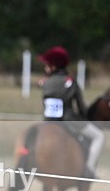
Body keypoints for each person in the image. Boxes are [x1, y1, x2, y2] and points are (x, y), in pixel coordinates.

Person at [38, 45, 104, 178]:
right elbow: (81, 108)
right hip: (69, 121)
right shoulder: (71, 82)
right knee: (99, 136)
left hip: (47, 122)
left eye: (47, 65)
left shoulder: (45, 83)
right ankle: (89, 169)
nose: (45, 67)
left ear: (53, 66)